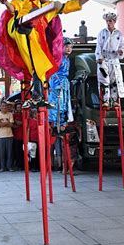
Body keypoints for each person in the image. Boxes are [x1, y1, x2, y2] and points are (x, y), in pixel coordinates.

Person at [0, 0, 100, 104]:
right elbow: (13, 9)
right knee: (33, 46)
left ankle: (37, 96)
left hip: (35, 38)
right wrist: (6, 2)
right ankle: (31, 19)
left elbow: (70, 5)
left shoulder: (52, 6)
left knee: (40, 66)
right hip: (18, 28)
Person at [48, 37, 74, 171]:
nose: (69, 49)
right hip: (57, 83)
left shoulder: (67, 59)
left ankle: (62, 124)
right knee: (57, 105)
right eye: (67, 46)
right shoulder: (58, 57)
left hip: (64, 83)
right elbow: (53, 72)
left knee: (64, 105)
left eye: (71, 47)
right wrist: (56, 86)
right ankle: (57, 124)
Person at [95, 12, 124, 108]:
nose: (108, 23)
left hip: (114, 60)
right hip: (104, 60)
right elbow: (98, 46)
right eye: (107, 21)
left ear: (114, 22)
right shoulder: (102, 32)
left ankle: (114, 100)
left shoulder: (119, 34)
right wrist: (99, 58)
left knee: (114, 81)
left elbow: (123, 47)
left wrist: (121, 52)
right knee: (105, 80)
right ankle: (106, 100)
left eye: (110, 21)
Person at [0, 101, 14, 171]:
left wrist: (2, 123)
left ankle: (9, 167)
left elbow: (11, 124)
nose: (4, 107)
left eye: (5, 106)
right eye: (3, 106)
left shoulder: (10, 114)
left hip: (9, 135)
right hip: (0, 136)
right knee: (2, 152)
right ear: (0, 107)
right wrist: (7, 123)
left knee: (9, 152)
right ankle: (2, 167)